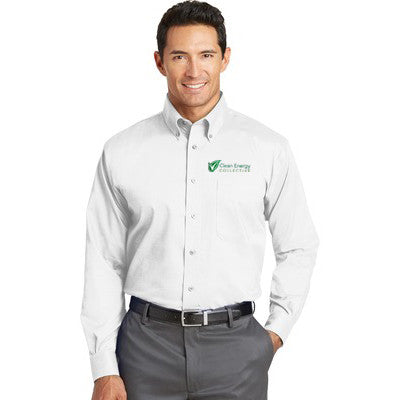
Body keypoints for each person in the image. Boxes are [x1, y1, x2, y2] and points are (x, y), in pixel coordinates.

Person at [80, 1, 320, 399]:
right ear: (160, 62)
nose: (194, 71)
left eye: (206, 55)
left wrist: (275, 332)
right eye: (180, 56)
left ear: (225, 58)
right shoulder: (122, 151)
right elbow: (103, 260)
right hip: (144, 350)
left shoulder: (267, 148)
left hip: (236, 350)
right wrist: (103, 366)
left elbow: (298, 245)